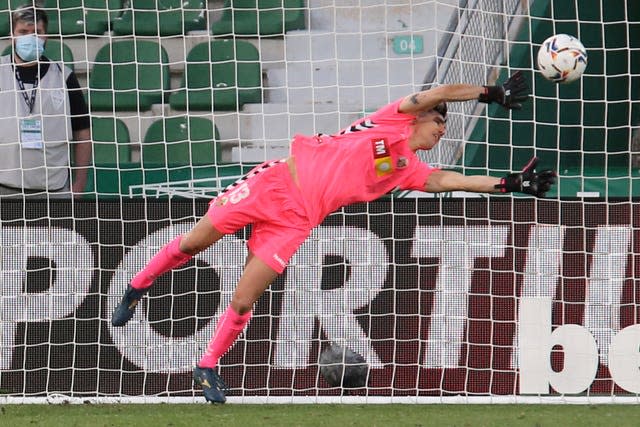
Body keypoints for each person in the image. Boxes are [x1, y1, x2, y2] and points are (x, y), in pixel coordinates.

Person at [111, 71, 556, 403]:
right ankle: (138, 286)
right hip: (275, 184)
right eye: (438, 122)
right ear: (418, 117)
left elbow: (445, 181)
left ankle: (206, 365)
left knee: (245, 299)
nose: (441, 130)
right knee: (193, 243)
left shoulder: (407, 170)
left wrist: (509, 183)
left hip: (297, 221)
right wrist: (489, 93)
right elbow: (435, 92)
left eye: (443, 125)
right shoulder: (388, 122)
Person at [0, 5, 91, 198]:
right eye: (23, 32)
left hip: (54, 189)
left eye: (37, 32)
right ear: (12, 35)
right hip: (4, 187)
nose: (30, 37)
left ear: (46, 36)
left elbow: (83, 133)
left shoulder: (64, 76)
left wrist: (79, 184)